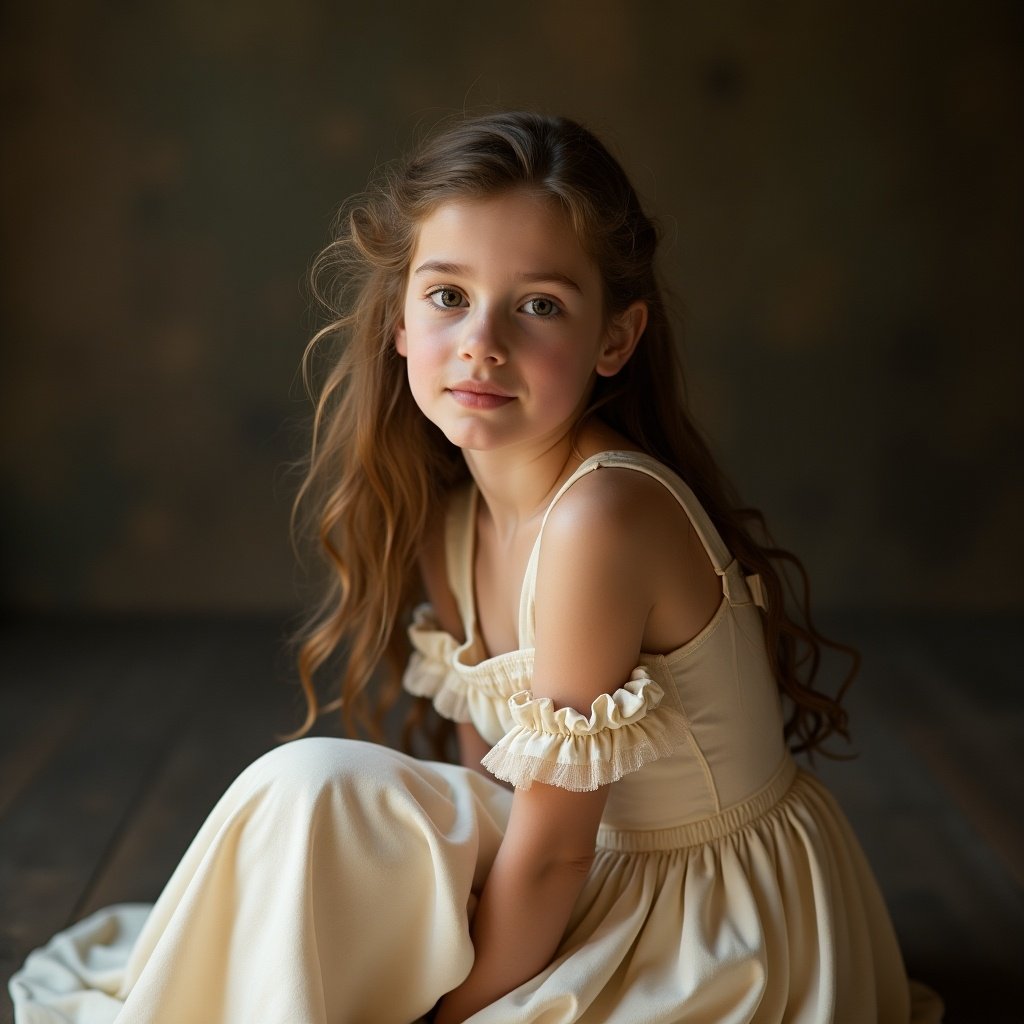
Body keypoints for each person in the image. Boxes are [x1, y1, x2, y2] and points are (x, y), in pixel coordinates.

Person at [10, 111, 943, 1023]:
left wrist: (448, 1009)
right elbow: (493, 792)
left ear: (615, 339)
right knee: (306, 790)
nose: (482, 341)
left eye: (539, 305)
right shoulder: (451, 521)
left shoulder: (601, 520)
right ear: (401, 323)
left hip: (705, 918)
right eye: (449, 296)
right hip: (565, 862)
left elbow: (551, 856)